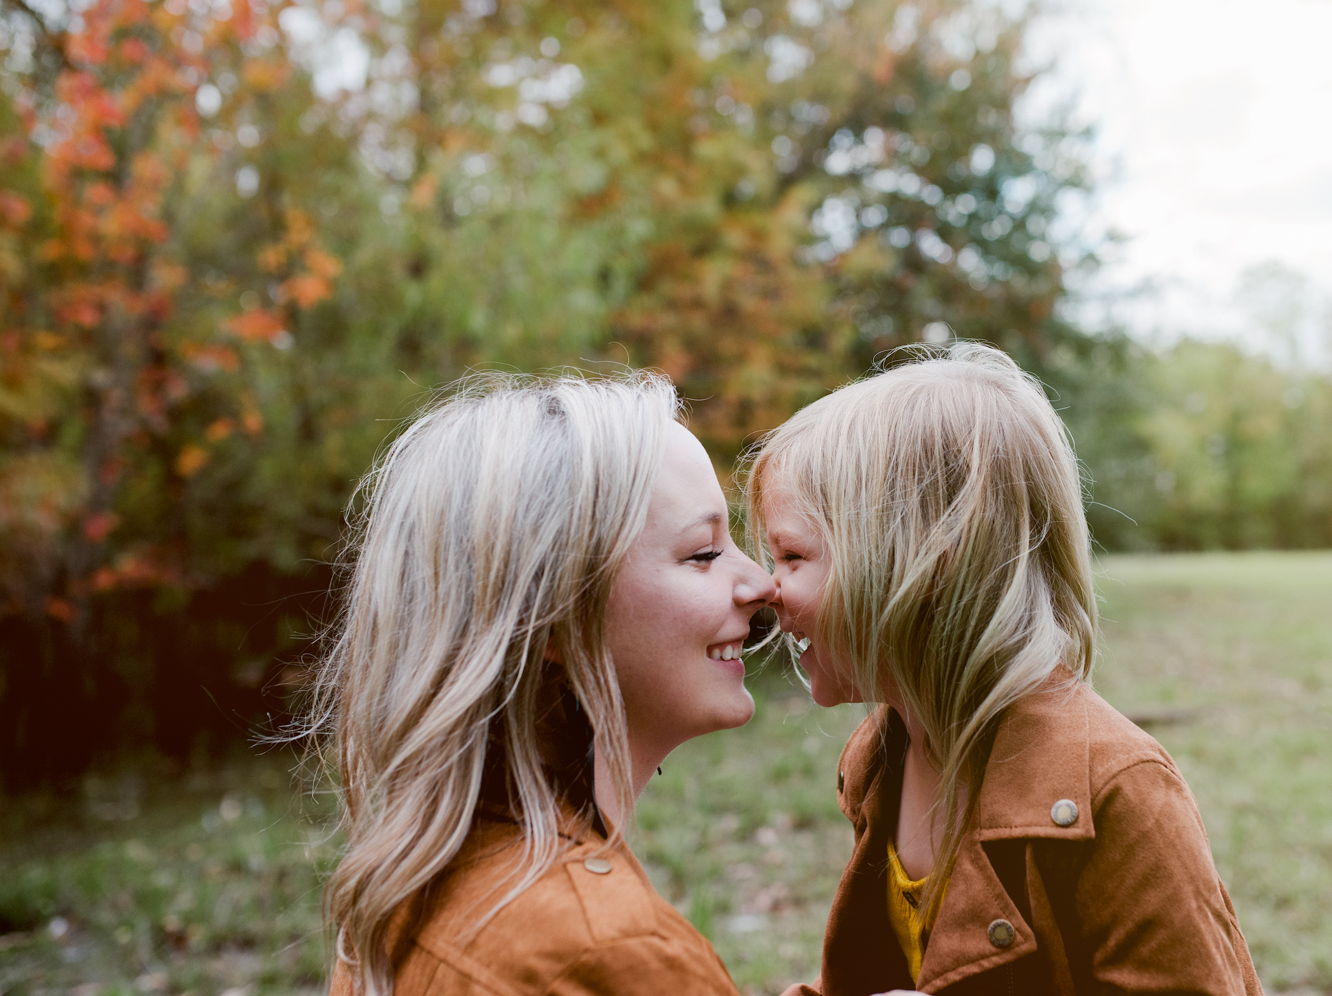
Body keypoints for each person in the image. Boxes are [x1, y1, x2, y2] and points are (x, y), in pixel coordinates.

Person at [745, 343, 1263, 996]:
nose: (768, 589)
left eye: (792, 555)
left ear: (928, 564)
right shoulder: (882, 756)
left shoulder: (1119, 793)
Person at [307, 372, 777, 996]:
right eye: (702, 553)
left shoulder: (406, 894)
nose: (761, 584)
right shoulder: (603, 953)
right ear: (550, 619)